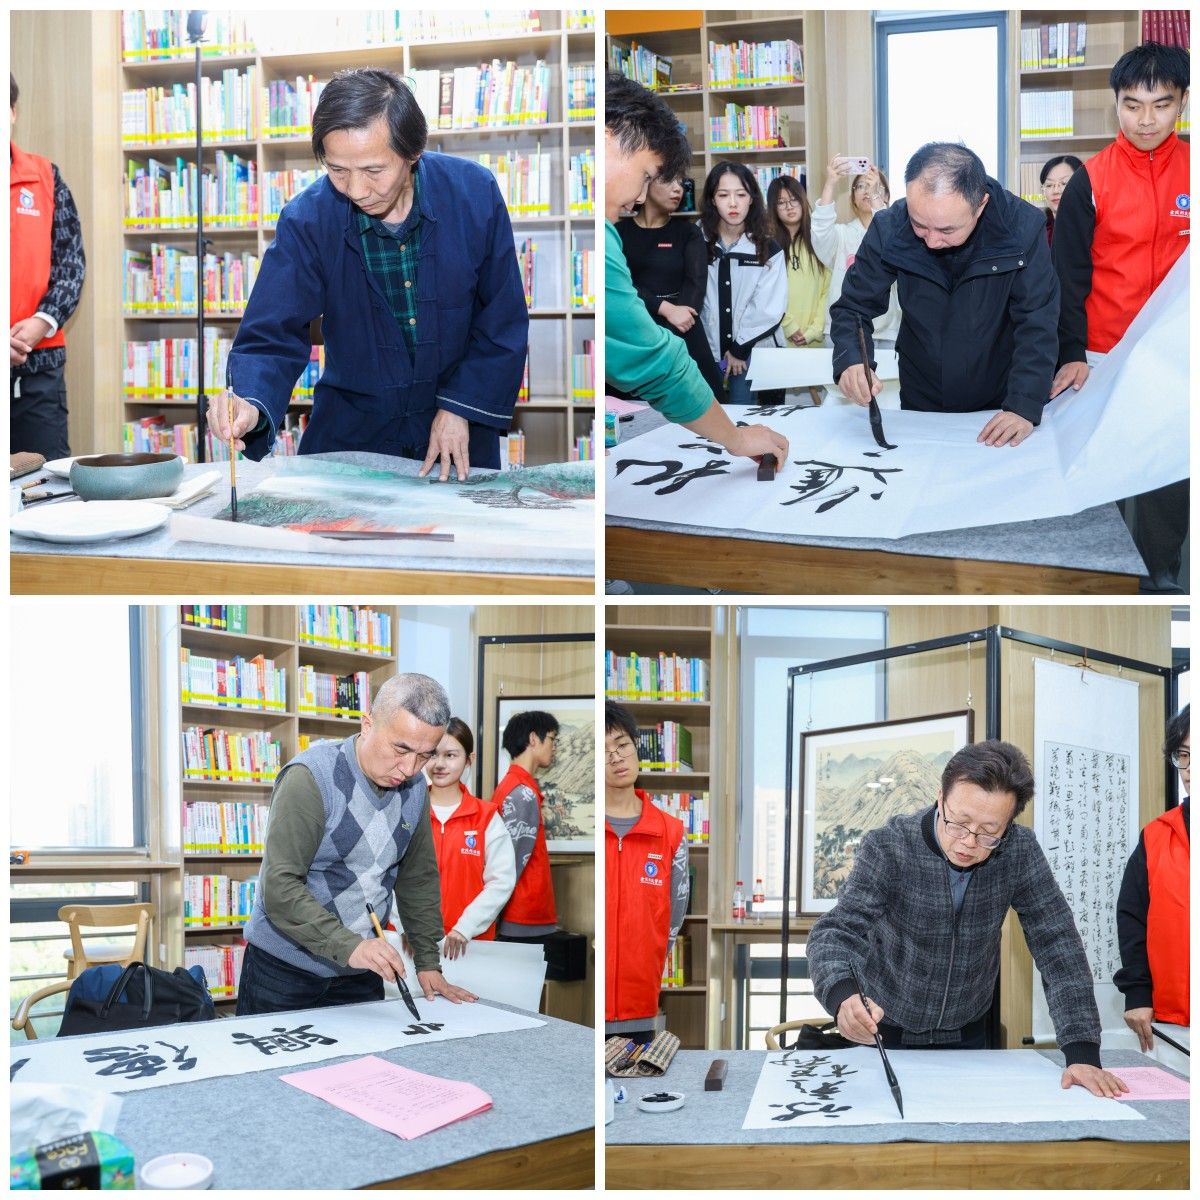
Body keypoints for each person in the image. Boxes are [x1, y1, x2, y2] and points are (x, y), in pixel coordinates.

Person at [208, 67, 527, 479]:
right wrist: (249, 400)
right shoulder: (308, 218)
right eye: (338, 170)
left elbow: (502, 320)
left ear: (412, 152)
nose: (356, 190)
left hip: (455, 433)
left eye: (374, 171)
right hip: (350, 437)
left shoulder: (474, 194)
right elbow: (271, 331)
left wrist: (460, 406)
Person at [807, 740, 1129, 1098]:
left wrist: (1082, 1052)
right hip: (884, 1033)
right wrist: (842, 995)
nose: (969, 842)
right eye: (959, 823)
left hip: (969, 1035)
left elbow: (1058, 944)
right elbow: (837, 932)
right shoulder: (889, 847)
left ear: (1009, 824)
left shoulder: (1019, 851)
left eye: (989, 832)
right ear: (940, 798)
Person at [238, 673, 476, 1015]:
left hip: (360, 972)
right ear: (367, 725)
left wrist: (428, 963)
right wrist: (351, 946)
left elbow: (417, 879)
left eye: (425, 755)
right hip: (284, 971)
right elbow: (280, 887)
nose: (410, 768)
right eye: (401, 749)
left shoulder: (414, 791)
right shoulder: (311, 778)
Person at [1051, 43, 1190, 592]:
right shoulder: (1090, 179)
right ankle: (1100, 577)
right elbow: (1067, 278)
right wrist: (1071, 352)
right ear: (1116, 103)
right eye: (1132, 105)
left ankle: (1159, 577)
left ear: (1182, 102)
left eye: (1161, 104)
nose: (1146, 120)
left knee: (1167, 478)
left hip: (1176, 360)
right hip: (1103, 355)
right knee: (1100, 477)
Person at [604, 71, 789, 467]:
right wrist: (735, 438)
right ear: (609, 138)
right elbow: (652, 359)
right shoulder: (608, 236)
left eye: (740, 194)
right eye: (647, 177)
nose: (640, 197)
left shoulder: (751, 246)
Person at [830, 142, 1059, 448]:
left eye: (947, 230)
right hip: (922, 387)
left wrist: (1023, 405)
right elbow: (854, 306)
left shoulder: (1022, 228)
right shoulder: (891, 227)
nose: (932, 241)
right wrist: (851, 360)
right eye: (919, 225)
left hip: (998, 394)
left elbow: (1037, 321)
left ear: (980, 205)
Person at [10, 73, 85, 459]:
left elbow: (71, 264)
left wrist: (43, 321)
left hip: (39, 371)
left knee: (47, 482)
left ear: (12, 112)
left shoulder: (46, 177)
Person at [604, 701, 689, 1040]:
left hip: (641, 1007)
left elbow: (674, 919)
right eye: (604, 751)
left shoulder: (671, 832)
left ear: (636, 747)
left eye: (622, 745)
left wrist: (646, 962)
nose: (616, 758)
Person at [1114, 706, 1189, 1055]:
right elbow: (1132, 918)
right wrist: (1137, 993)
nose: (1189, 770)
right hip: (1171, 1023)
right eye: (1183, 756)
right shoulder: (1157, 835)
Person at [616, 172, 725, 396]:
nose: (678, 189)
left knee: (708, 399)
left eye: (681, 182)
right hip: (635, 328)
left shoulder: (689, 232)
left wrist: (673, 325)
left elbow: (695, 285)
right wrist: (664, 308)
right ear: (645, 183)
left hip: (682, 327)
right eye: (669, 180)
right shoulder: (618, 232)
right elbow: (620, 284)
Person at [698, 161, 788, 404]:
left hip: (753, 353)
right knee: (707, 420)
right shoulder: (696, 242)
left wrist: (738, 350)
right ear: (712, 199)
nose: (733, 203)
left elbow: (769, 307)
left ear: (752, 199)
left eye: (741, 194)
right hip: (706, 353)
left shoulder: (768, 248)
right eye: (723, 195)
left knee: (748, 419)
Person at [425, 718, 516, 958]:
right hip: (411, 943)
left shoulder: (486, 817)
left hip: (468, 945)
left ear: (469, 759)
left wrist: (465, 927)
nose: (440, 764)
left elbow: (501, 881)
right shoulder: (408, 812)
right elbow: (391, 876)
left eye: (450, 755)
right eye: (432, 754)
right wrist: (407, 926)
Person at [812, 156, 900, 343]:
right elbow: (820, 233)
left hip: (886, 331)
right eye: (860, 186)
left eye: (874, 186)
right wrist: (830, 182)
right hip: (844, 330)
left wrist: (875, 197)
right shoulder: (842, 234)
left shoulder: (896, 234)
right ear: (852, 198)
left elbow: (888, 237)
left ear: (886, 196)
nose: (867, 190)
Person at [493, 710, 560, 942]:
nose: (554, 747)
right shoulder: (522, 793)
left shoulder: (514, 786)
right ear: (533, 739)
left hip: (520, 913)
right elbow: (510, 863)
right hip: (522, 914)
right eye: (552, 739)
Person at [766, 175, 831, 349]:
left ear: (802, 200)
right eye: (781, 202)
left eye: (794, 199)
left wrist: (815, 330)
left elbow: (828, 290)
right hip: (779, 339)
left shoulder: (819, 240)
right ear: (773, 207)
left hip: (816, 341)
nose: (789, 206)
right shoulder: (768, 245)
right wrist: (788, 325)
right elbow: (765, 292)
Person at [1039, 154, 1083, 246]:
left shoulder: (1096, 230)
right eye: (1049, 185)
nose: (1056, 191)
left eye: (1064, 183)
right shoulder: (1038, 233)